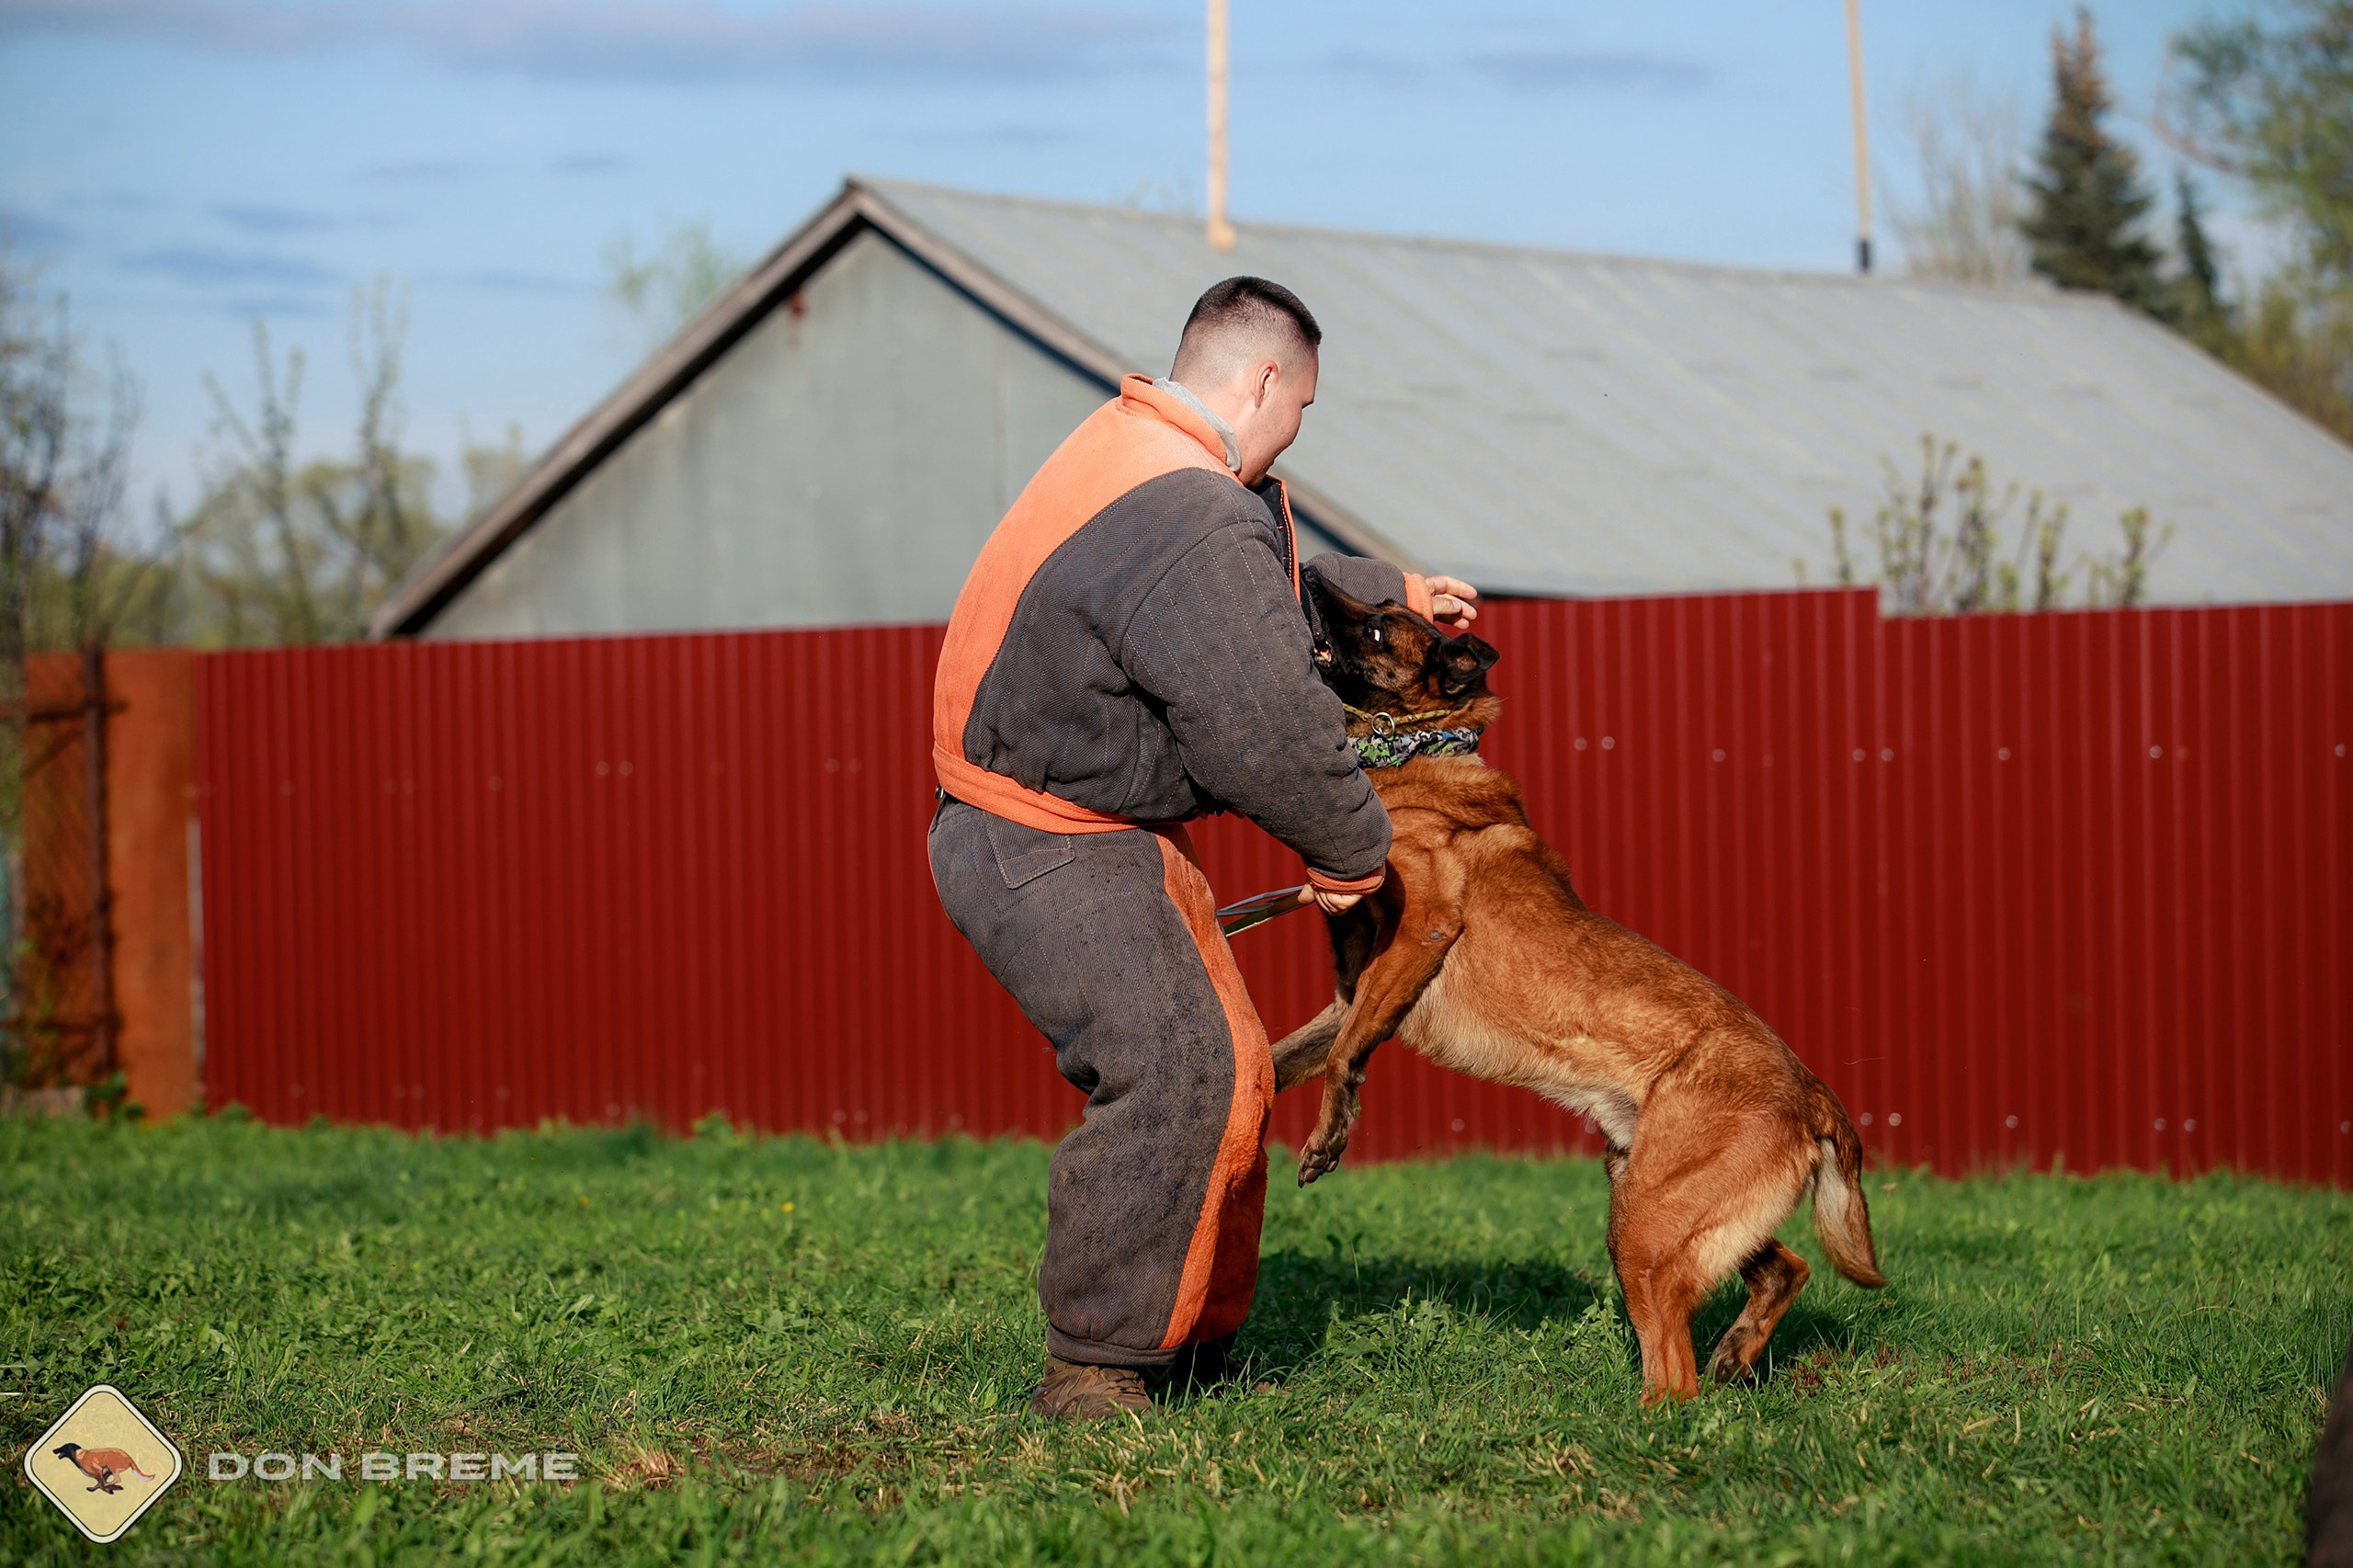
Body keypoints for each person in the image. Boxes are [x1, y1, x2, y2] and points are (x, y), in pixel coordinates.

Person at [926, 277, 1477, 1419]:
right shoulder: (1186, 513)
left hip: (1048, 818)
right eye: (1303, 406)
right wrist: (1348, 852)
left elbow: (1250, 581)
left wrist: (1393, 591)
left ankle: (1182, 1337)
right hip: (1046, 838)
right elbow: (1264, 722)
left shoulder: (1136, 446)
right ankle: (1096, 1368)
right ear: (1266, 378)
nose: (1295, 433)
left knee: (1227, 1067)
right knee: (1179, 1069)